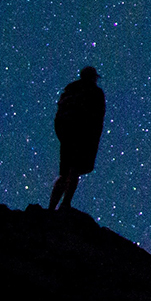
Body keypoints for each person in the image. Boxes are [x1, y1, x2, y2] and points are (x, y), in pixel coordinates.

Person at [47, 66, 106, 210]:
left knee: (64, 172)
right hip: (83, 137)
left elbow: (59, 116)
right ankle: (65, 204)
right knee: (74, 170)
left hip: (67, 136)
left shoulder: (70, 91)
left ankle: (51, 207)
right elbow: (97, 118)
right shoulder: (95, 93)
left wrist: (62, 135)